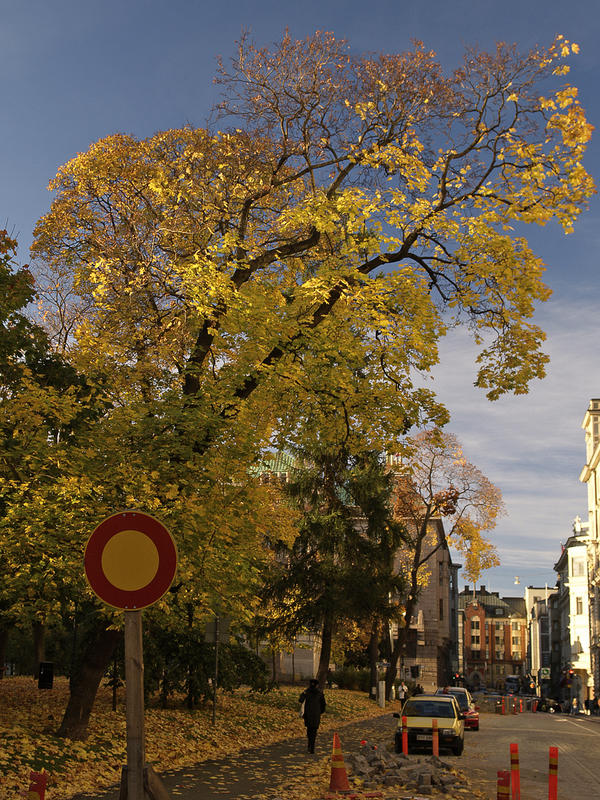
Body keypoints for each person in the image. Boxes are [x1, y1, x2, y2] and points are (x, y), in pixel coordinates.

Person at [299, 678, 326, 753]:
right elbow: (323, 705)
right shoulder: (320, 693)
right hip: (316, 715)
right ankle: (312, 746)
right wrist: (320, 712)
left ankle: (310, 744)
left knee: (309, 730)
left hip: (307, 714)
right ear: (317, 685)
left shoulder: (306, 692)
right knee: (314, 730)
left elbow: (300, 700)